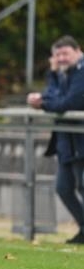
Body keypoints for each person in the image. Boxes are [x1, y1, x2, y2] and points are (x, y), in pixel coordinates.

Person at [27, 35, 84, 244]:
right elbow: (52, 96)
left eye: (65, 53)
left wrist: (42, 103)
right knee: (63, 188)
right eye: (57, 55)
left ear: (78, 51)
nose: (61, 58)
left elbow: (70, 102)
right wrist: (51, 74)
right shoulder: (61, 72)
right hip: (67, 143)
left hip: (80, 140)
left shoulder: (81, 71)